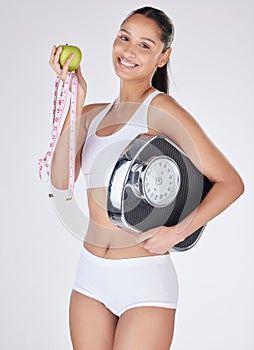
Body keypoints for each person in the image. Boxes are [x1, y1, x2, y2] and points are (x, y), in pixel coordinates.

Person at [48, 6, 244, 350]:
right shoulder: (93, 114)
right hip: (90, 276)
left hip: (144, 281)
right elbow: (61, 182)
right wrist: (76, 102)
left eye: (144, 45)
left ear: (162, 57)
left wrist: (177, 232)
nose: (128, 51)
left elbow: (230, 182)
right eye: (124, 38)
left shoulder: (160, 110)